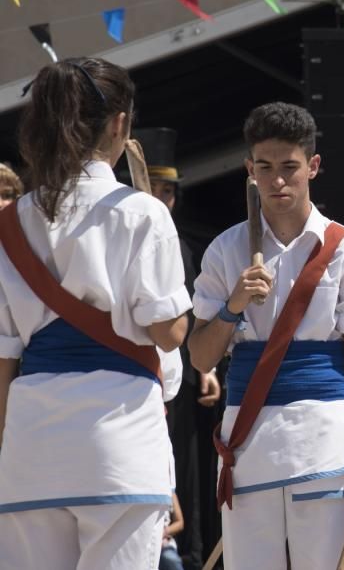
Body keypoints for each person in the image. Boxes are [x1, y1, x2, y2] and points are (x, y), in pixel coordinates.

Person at [0, 58, 191, 569]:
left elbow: (2, 358)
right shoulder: (142, 213)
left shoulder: (9, 222)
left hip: (31, 445)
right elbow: (168, 333)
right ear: (119, 124)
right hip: (119, 445)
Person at [188, 102, 344, 569]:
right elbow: (200, 358)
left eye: (289, 168)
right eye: (265, 167)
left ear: (313, 167)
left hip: (325, 444)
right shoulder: (224, 250)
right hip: (245, 445)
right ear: (249, 169)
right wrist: (231, 308)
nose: (277, 181)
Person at [134, 126, 222, 569]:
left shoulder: (182, 247)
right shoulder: (121, 234)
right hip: (131, 372)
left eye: (171, 191)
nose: (165, 200)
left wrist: (205, 368)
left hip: (178, 374)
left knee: (183, 470)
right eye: (157, 188)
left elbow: (193, 312)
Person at [160, 491, 185, 570]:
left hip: (163, 544)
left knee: (170, 560)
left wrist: (164, 532)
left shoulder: (169, 488)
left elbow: (180, 523)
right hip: (143, 542)